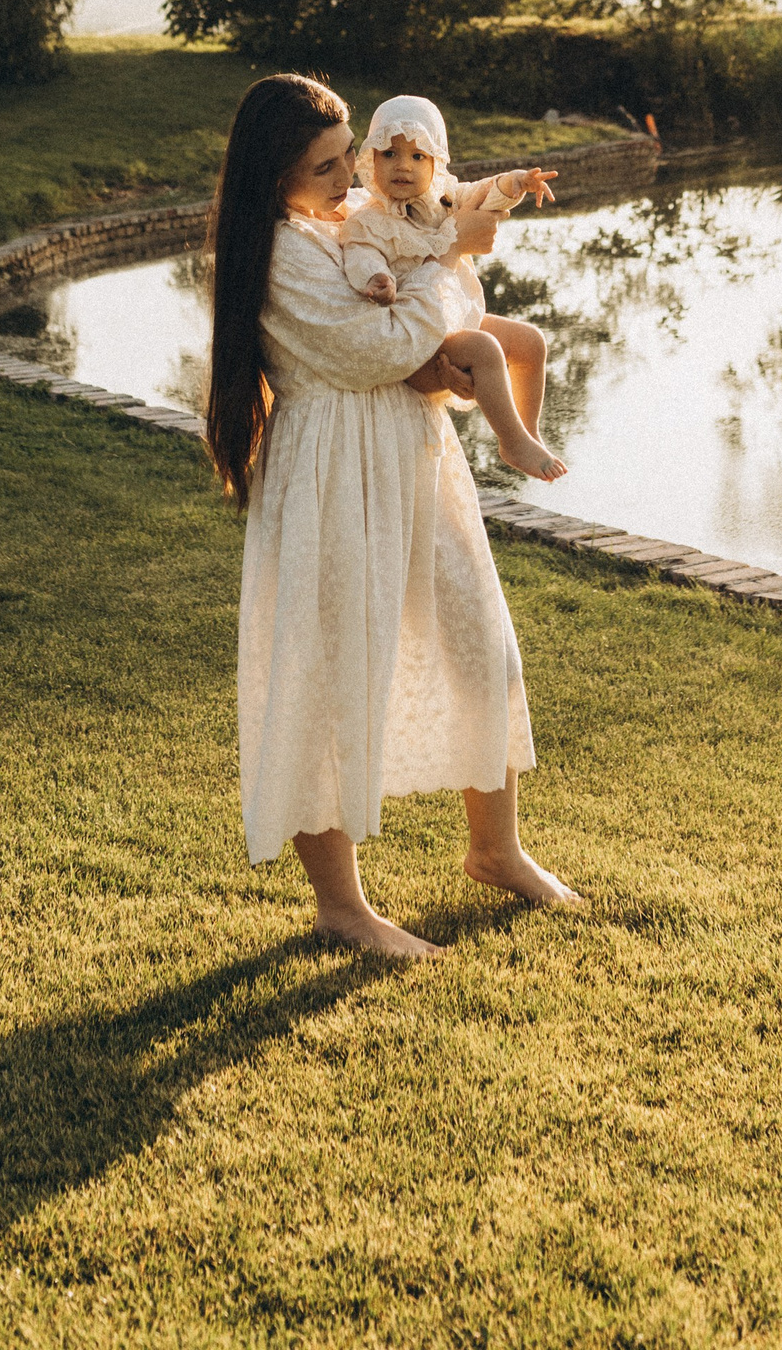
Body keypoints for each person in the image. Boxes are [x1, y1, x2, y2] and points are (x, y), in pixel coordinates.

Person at [207, 72, 581, 959]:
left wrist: (445, 335)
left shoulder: (341, 226)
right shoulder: (281, 252)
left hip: (412, 456)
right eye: (328, 168)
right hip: (333, 475)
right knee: (331, 676)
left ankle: (496, 850)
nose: (352, 181)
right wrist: (448, 257)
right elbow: (377, 346)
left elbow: (425, 346)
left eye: (350, 159)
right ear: (275, 176)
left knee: (477, 639)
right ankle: (342, 908)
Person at [340, 93, 566, 482]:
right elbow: (359, 253)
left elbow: (485, 192)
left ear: (436, 162)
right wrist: (376, 277)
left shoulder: (445, 198)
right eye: (389, 154)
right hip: (417, 338)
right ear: (371, 159)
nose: (403, 166)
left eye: (417, 156)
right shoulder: (368, 220)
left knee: (531, 343)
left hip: (455, 318)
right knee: (484, 348)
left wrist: (517, 181)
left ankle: (528, 433)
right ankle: (511, 441)